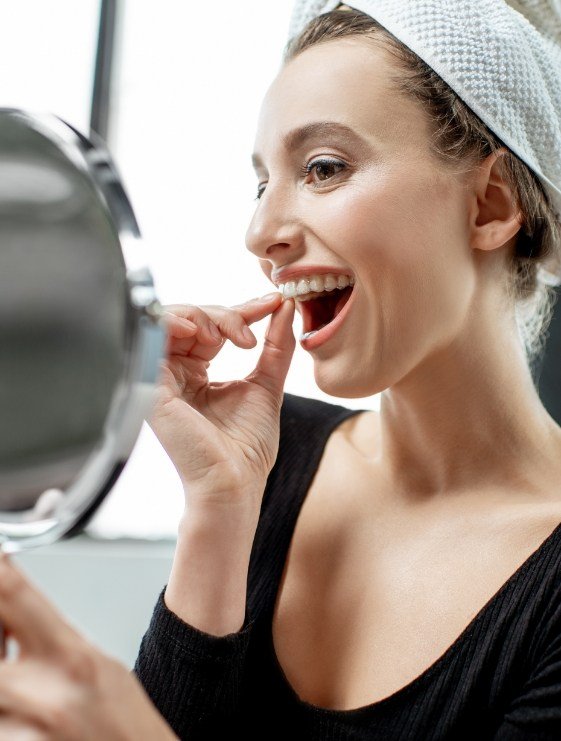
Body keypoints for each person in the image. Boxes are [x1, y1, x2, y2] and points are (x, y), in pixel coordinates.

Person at [1, 1, 561, 739]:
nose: (260, 233)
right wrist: (219, 509)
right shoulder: (268, 461)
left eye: (323, 168)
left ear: (489, 203)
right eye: (263, 182)